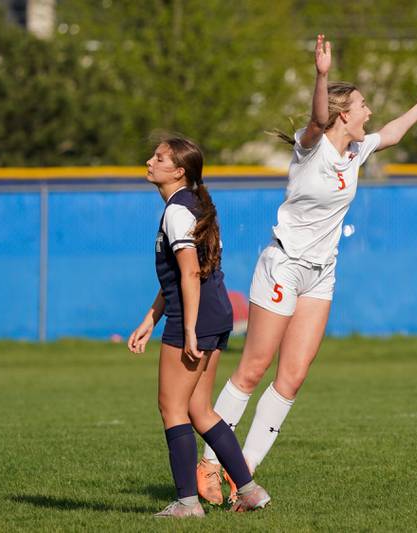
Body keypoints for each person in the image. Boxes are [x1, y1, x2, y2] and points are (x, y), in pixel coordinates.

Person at [195, 34, 417, 503]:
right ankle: (209, 461)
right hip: (283, 266)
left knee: (294, 376)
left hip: (321, 273)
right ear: (344, 114)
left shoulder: (356, 152)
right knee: (254, 368)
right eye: (362, 106)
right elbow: (318, 119)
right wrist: (321, 74)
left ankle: (244, 476)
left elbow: (393, 134)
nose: (368, 113)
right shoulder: (314, 146)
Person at [128, 136, 270, 516]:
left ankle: (187, 504)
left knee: (171, 407)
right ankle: (250, 490)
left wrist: (188, 329)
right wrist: (150, 318)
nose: (149, 162)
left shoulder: (177, 211)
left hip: (198, 317)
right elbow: (180, 276)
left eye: (158, 158)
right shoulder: (193, 205)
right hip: (216, 312)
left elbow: (190, 272)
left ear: (178, 171)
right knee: (199, 409)